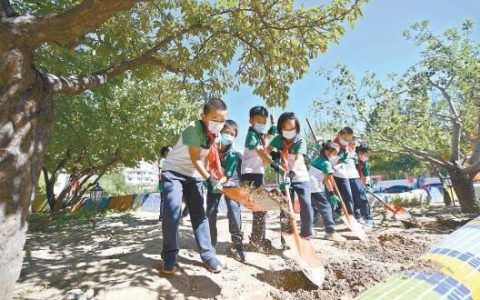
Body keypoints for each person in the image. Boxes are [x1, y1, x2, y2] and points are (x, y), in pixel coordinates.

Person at [160, 98, 226, 274]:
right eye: (214, 119)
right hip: (174, 172)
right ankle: (169, 258)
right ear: (203, 116)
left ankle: (208, 255)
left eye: (222, 120)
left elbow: (211, 158)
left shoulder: (215, 135)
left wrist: (219, 177)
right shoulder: (192, 128)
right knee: (173, 212)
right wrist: (209, 179)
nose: (218, 124)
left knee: (199, 215)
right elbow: (195, 159)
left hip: (194, 175)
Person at [269, 112, 313, 243]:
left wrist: (292, 173)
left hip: (300, 176)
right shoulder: (278, 139)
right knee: (285, 207)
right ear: (280, 128)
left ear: (297, 128)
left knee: (306, 204)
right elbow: (268, 149)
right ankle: (286, 238)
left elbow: (299, 159)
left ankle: (306, 234)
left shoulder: (300, 140)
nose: (289, 131)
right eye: (285, 128)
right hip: (284, 177)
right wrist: (275, 157)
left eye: (292, 128)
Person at [206, 120, 246, 262]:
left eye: (232, 134)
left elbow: (228, 174)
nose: (228, 136)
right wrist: (211, 182)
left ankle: (237, 245)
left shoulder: (234, 155)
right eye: (226, 133)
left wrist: (221, 182)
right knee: (210, 212)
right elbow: (206, 168)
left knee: (234, 210)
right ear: (219, 133)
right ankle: (211, 244)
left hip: (231, 183)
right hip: (213, 183)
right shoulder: (211, 150)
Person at [241, 106, 276, 253]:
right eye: (258, 121)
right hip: (250, 175)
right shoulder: (251, 135)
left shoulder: (259, 135)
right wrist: (273, 164)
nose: (261, 123)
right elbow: (261, 151)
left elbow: (265, 141)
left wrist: (271, 131)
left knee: (261, 208)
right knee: (261, 207)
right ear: (250, 121)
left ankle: (257, 237)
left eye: (264, 121)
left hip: (257, 174)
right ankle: (256, 239)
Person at [309, 141, 347, 241]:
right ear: (326, 152)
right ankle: (330, 232)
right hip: (315, 187)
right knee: (326, 208)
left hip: (308, 187)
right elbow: (327, 180)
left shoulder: (319, 158)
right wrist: (332, 194)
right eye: (334, 153)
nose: (336, 156)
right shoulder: (326, 163)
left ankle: (308, 229)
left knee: (315, 209)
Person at [332, 127, 358, 218]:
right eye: (345, 138)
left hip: (343, 175)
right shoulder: (331, 144)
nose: (346, 140)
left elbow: (343, 161)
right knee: (335, 197)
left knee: (348, 196)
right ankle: (337, 214)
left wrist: (335, 167)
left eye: (349, 138)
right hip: (332, 176)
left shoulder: (346, 148)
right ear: (340, 135)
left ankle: (350, 215)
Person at [352, 144, 374, 227]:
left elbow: (366, 174)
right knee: (354, 200)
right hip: (349, 180)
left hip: (358, 181)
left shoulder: (364, 163)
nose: (367, 157)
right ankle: (357, 217)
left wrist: (368, 185)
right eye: (366, 155)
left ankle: (367, 218)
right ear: (360, 153)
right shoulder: (353, 160)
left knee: (363, 199)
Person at [158, 146, 172, 222]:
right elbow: (160, 172)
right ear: (166, 152)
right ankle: (162, 216)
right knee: (163, 200)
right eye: (170, 150)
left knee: (168, 200)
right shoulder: (163, 160)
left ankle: (166, 216)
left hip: (169, 182)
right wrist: (161, 181)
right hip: (163, 182)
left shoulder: (171, 161)